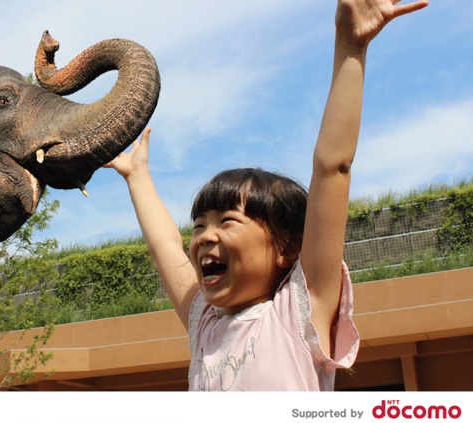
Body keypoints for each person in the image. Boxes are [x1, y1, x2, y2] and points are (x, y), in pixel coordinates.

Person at [104, 0, 429, 391]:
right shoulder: (204, 322)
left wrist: (350, 46)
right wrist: (137, 176)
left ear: (287, 247)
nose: (205, 235)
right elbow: (165, 248)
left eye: (227, 221)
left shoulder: (298, 312)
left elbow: (333, 167)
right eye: (200, 224)